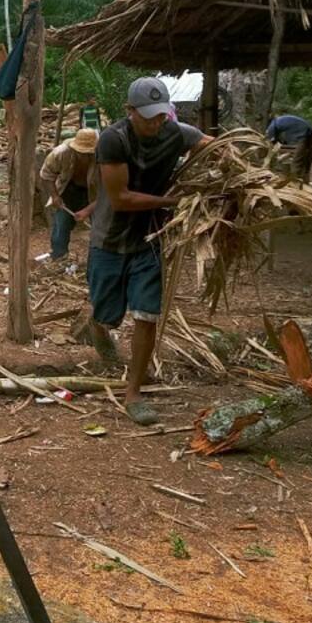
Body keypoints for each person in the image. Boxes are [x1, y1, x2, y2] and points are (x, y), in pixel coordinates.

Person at [87, 77, 213, 425]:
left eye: (161, 115)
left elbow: (212, 147)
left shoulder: (176, 132)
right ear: (130, 112)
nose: (156, 122)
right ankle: (95, 325)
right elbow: (120, 199)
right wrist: (176, 200)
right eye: (148, 117)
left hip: (150, 239)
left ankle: (134, 392)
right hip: (110, 240)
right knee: (106, 313)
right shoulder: (114, 139)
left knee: (146, 314)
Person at [40, 129, 99, 260]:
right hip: (69, 189)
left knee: (100, 226)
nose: (85, 157)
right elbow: (46, 175)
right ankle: (59, 255)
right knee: (61, 223)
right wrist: (55, 196)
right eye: (81, 153)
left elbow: (108, 193)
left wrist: (88, 210)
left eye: (89, 154)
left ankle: (97, 259)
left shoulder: (105, 158)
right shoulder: (61, 153)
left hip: (96, 194)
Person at [266, 113, 312, 181]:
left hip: (304, 134)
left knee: (297, 161)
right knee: (305, 162)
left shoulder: (273, 125)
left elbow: (273, 141)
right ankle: (304, 180)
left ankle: (295, 182)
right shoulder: (282, 120)